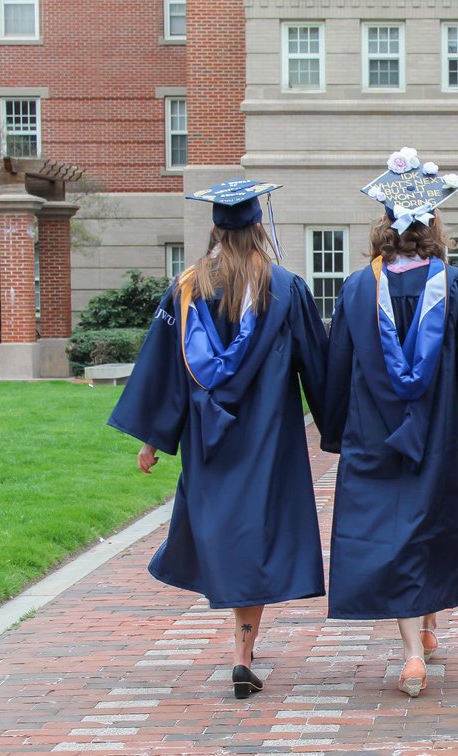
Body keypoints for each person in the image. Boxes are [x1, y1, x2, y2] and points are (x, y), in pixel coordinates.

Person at [320, 148, 458, 697]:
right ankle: (415, 651)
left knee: (392, 532)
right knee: (429, 528)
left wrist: (336, 429)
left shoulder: (356, 289)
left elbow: (337, 367)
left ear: (385, 227)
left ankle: (418, 640)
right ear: (434, 228)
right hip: (441, 435)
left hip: (376, 434)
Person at [108, 180, 328, 699]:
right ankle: (242, 650)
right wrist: (337, 426)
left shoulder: (186, 289)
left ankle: (243, 646)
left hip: (208, 439)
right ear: (258, 229)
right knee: (259, 534)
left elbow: (161, 368)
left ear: (214, 230)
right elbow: (318, 364)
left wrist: (152, 440)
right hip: (268, 438)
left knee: (228, 533)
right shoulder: (286, 289)